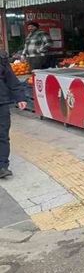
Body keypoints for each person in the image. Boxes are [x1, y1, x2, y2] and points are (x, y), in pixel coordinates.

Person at [0, 51, 27, 179]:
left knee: (2, 135)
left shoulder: (1, 58)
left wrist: (20, 97)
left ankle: (2, 166)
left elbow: (10, 78)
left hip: (1, 102)